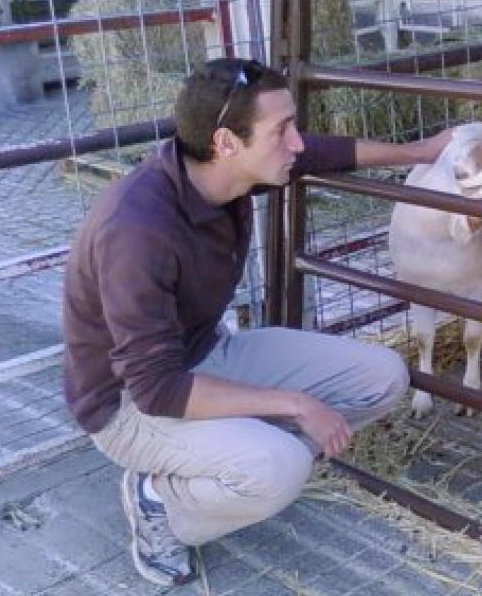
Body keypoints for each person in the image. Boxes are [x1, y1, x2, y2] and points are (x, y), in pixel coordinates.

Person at [62, 58, 452, 586]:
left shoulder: (225, 173)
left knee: (384, 376)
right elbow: (155, 388)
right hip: (127, 404)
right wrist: (293, 403)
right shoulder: (137, 229)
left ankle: (243, 443)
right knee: (280, 468)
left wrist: (421, 152)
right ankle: (158, 500)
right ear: (226, 142)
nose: (296, 143)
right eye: (282, 130)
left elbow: (319, 152)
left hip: (206, 356)